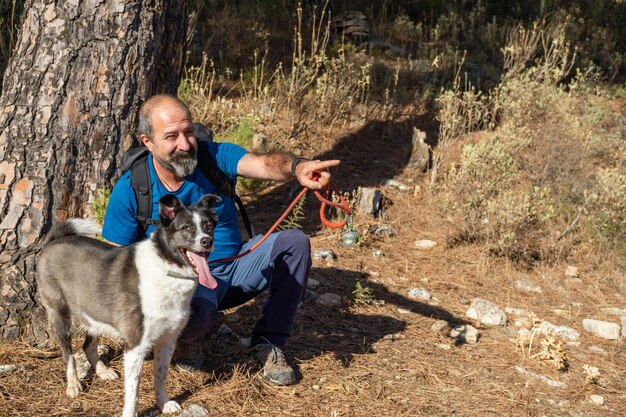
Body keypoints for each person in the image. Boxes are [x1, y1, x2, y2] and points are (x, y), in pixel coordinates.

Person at [102, 94, 340, 386]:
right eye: (171, 137)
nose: (185, 144)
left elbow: (265, 164)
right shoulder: (132, 189)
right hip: (180, 286)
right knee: (197, 313)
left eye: (189, 132)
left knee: (294, 243)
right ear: (148, 142)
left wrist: (298, 167)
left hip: (234, 268)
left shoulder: (214, 157)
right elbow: (113, 263)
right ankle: (187, 339)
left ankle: (269, 342)